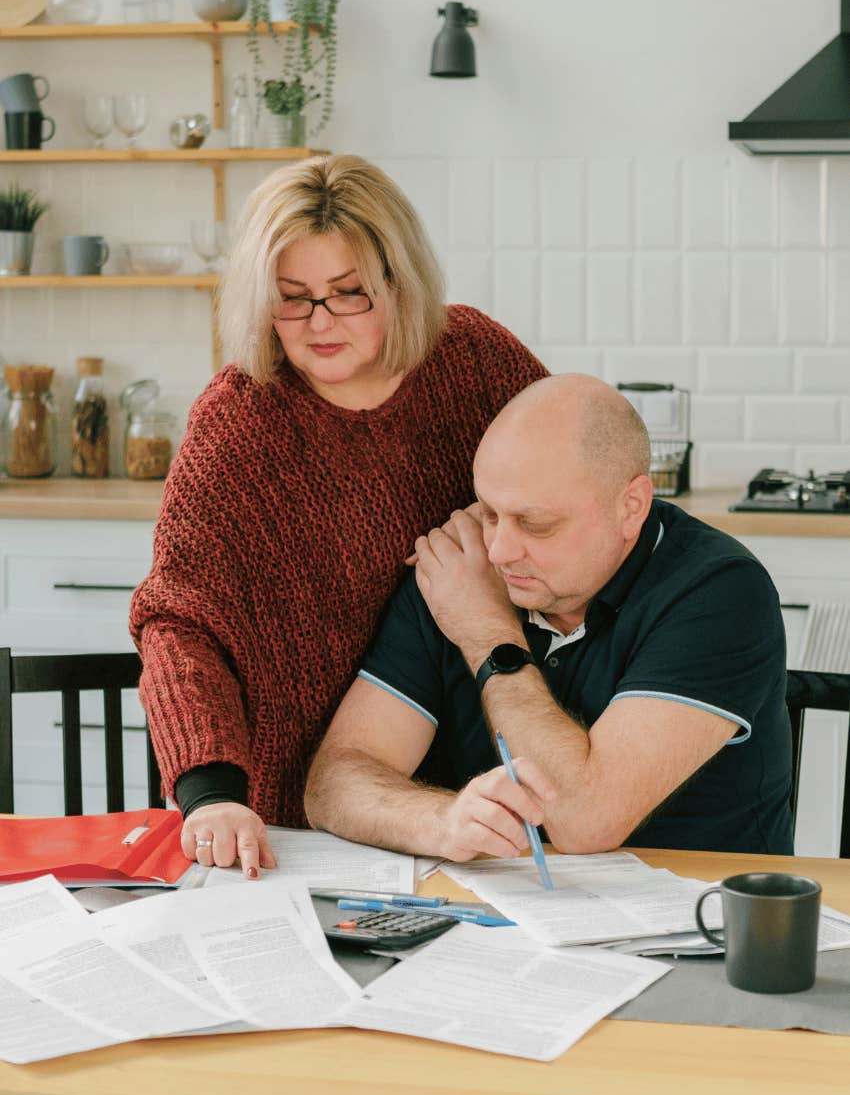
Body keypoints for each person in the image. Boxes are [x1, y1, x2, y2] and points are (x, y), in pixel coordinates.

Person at [129, 154, 547, 879]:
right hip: (296, 827)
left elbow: (564, 492)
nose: (319, 323)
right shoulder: (237, 424)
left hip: (489, 802)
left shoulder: (477, 363)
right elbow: (180, 622)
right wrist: (210, 793)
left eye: (349, 294)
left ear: (399, 282)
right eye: (291, 298)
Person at [304, 374, 793, 858]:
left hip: (703, 921)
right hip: (499, 920)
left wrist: (488, 635)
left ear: (631, 507)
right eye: (490, 512)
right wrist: (441, 820)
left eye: (535, 524)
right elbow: (333, 783)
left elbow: (582, 819)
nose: (498, 549)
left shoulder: (719, 592)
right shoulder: (462, 569)